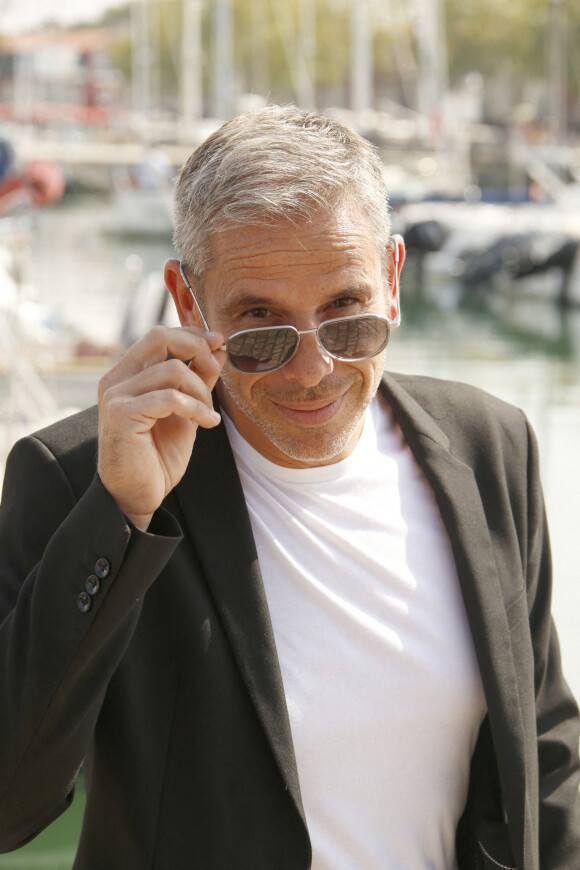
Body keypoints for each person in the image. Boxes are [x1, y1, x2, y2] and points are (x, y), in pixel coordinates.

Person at [0, 105, 578, 870]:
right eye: (261, 326)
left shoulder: (489, 444)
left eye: (346, 315)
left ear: (393, 280)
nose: (313, 369)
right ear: (186, 302)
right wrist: (121, 515)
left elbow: (544, 747)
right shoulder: (80, 478)